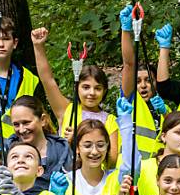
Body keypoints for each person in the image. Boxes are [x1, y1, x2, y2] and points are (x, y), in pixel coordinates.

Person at [0, 68, 72, 191]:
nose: (22, 129)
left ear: (43, 120)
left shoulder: (62, 149)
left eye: (26, 122)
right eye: (16, 124)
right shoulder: (8, 148)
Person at [31, 26, 120, 165]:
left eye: (97, 88)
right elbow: (48, 80)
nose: (91, 93)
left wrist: (78, 141)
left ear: (104, 91)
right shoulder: (67, 109)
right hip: (67, 178)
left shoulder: (111, 121)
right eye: (85, 87)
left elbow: (112, 161)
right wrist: (38, 47)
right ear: (76, 88)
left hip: (98, 181)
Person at [120, 8, 168, 162]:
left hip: (158, 176)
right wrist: (126, 30)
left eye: (148, 80)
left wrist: (166, 114)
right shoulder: (130, 100)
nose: (143, 85)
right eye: (138, 81)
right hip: (132, 173)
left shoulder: (164, 108)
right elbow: (129, 64)